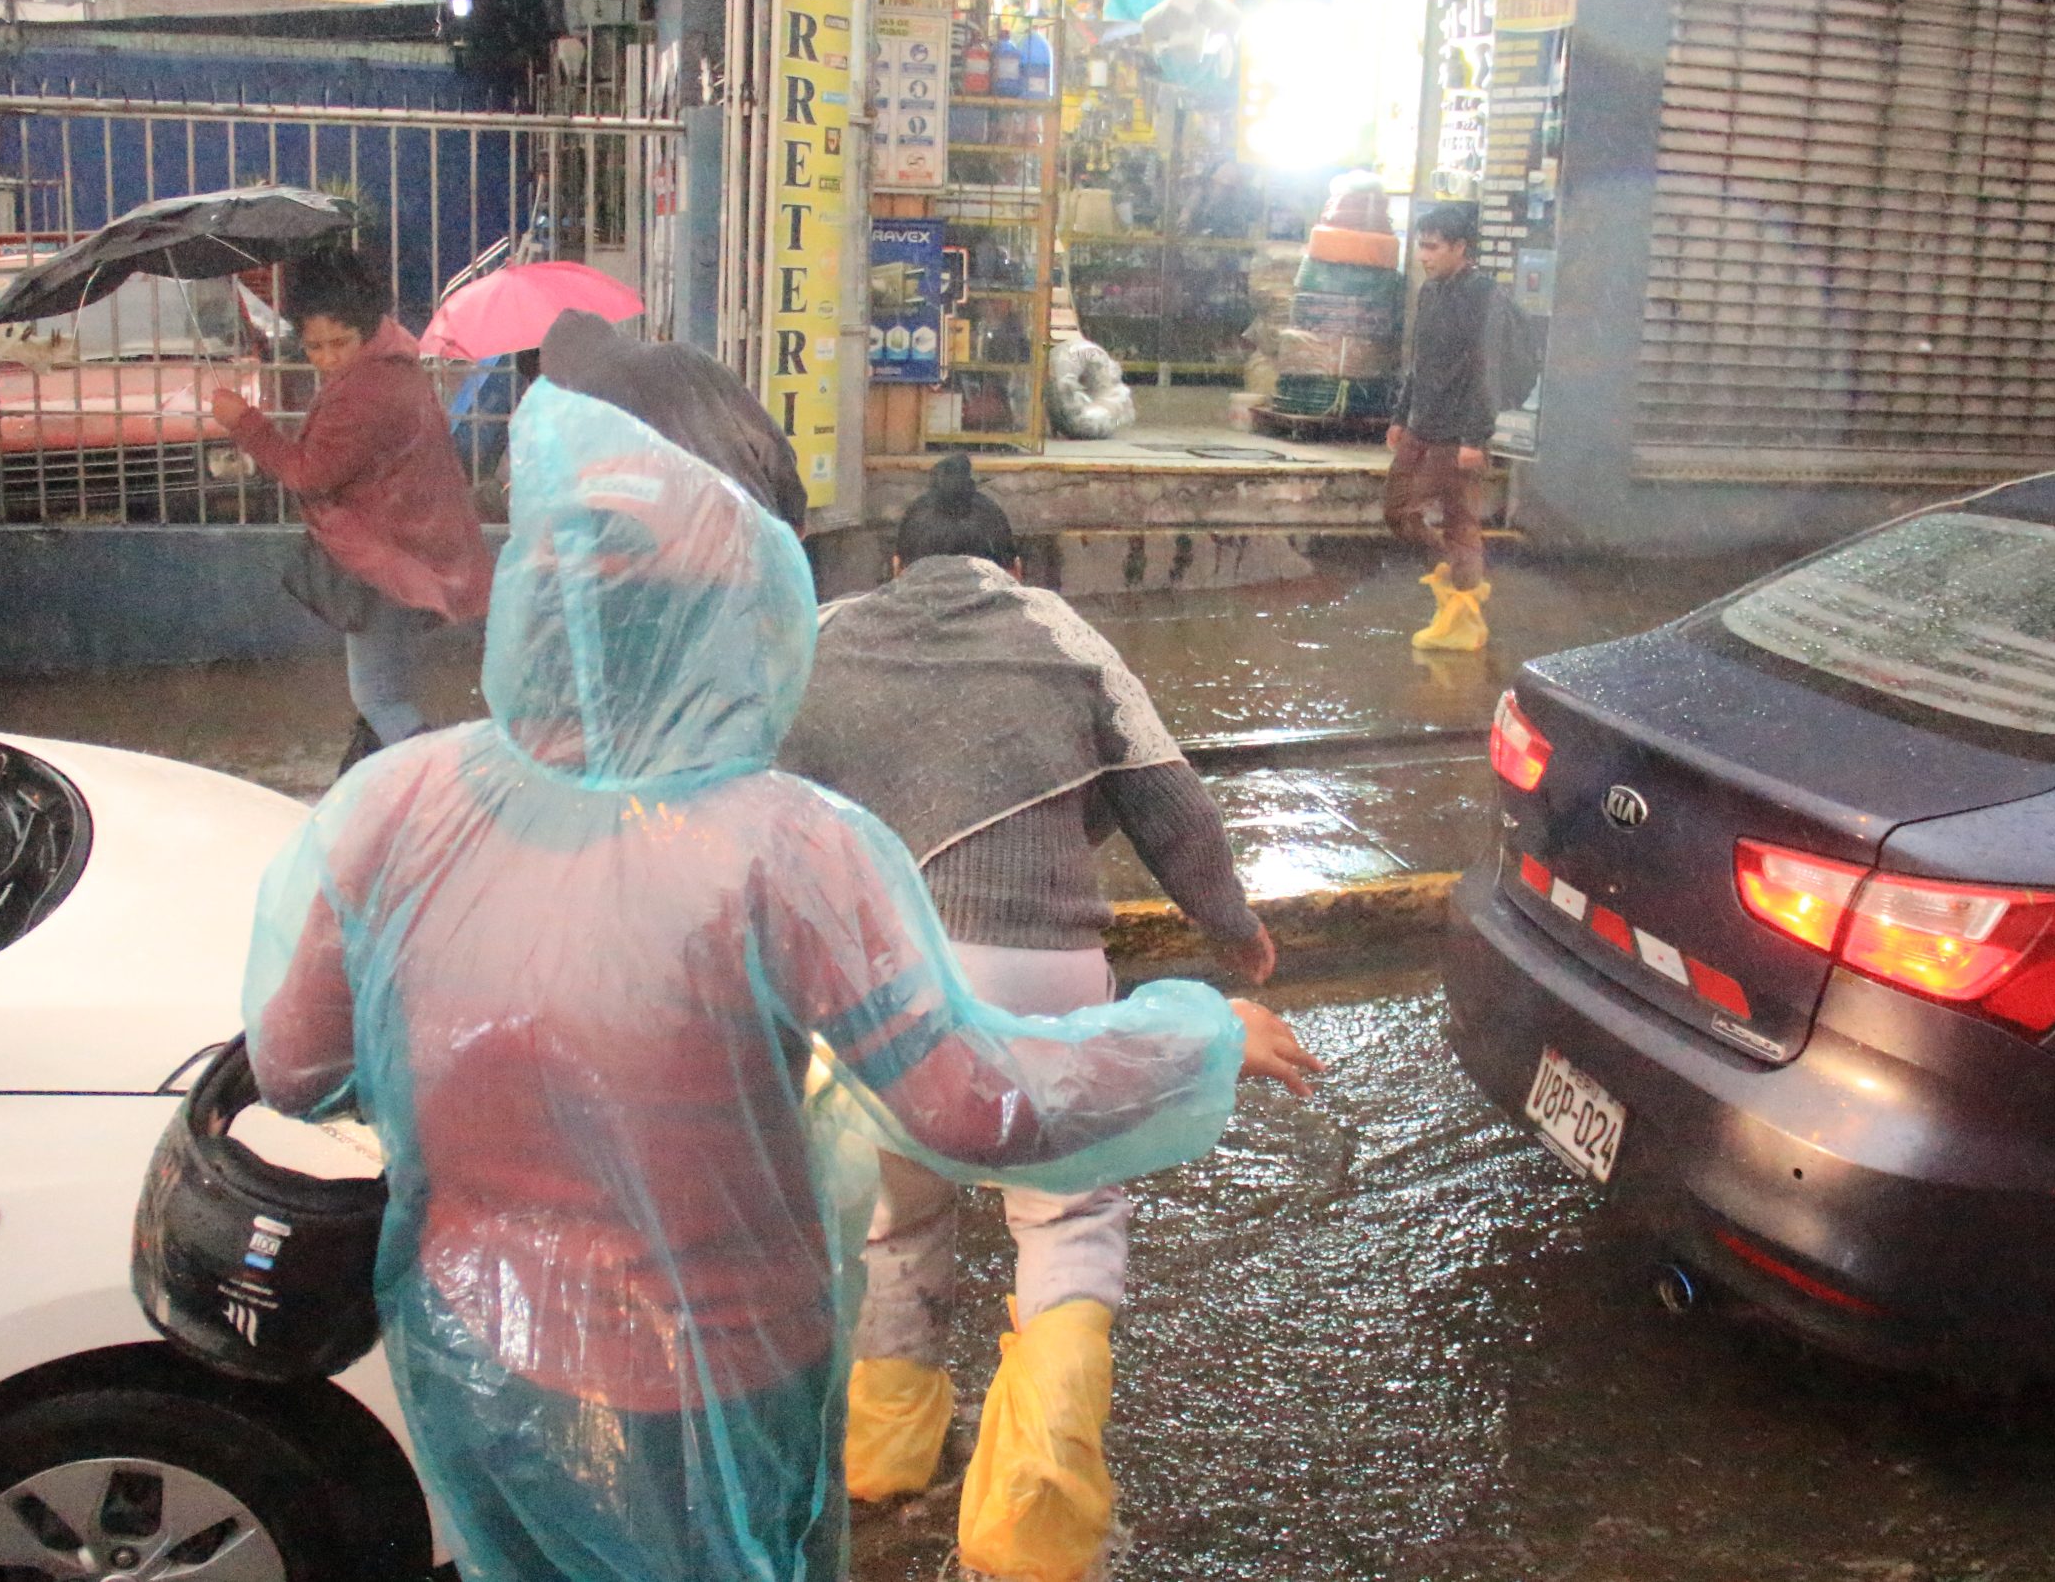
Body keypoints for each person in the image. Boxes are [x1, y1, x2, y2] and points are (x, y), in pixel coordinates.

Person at [242, 381, 1319, 1582]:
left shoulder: (394, 804)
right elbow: (969, 1107)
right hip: (716, 1379)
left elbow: (298, 1069)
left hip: (478, 1353)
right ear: (738, 612)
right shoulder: (784, 848)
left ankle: (896, 1438)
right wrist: (1198, 1038)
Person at [777, 454, 1286, 1582]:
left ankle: (885, 1452)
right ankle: (1033, 1522)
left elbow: (752, 794)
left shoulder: (819, 635)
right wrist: (1231, 928)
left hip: (871, 988)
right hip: (1041, 975)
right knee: (1063, 1216)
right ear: (1011, 567)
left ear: (897, 563)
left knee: (891, 1219)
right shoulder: (1057, 630)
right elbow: (1167, 797)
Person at [210, 247, 492, 773]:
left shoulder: (366, 389)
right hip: (409, 546)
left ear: (366, 330)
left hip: (384, 559)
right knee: (386, 692)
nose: (327, 358)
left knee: (379, 699)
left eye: (339, 343)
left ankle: (450, 786)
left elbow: (308, 473)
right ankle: (383, 795)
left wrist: (243, 423)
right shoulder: (391, 366)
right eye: (314, 346)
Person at [1385, 204, 1531, 654]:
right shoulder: (1431, 292)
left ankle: (1462, 612)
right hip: (1422, 425)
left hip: (1459, 434)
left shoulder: (1483, 296)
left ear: (1460, 248)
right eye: (1421, 246)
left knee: (1459, 520)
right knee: (1396, 509)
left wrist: (1475, 436)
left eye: (1432, 247)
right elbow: (1419, 361)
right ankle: (1459, 585)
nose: (1423, 257)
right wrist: (1399, 413)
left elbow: (1488, 369)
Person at [540, 306, 810, 532]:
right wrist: (792, 517)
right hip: (753, 533)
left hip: (668, 567)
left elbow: (588, 506)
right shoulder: (685, 357)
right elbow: (770, 444)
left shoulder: (583, 405)